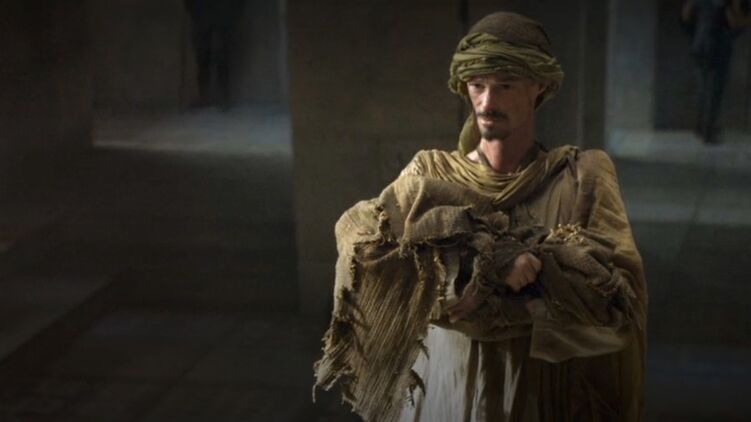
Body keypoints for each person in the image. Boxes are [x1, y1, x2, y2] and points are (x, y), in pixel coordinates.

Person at [314, 11, 647, 422]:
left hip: (539, 398)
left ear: (540, 86)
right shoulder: (429, 176)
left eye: (505, 86)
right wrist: (486, 263)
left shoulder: (580, 178)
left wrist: (493, 290)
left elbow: (618, 303)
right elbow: (369, 257)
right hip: (448, 396)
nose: (487, 103)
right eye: (477, 86)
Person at [681, 0, 751, 143]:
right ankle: (708, 131)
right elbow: (733, 23)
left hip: (699, 45)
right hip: (718, 47)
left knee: (702, 89)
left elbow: (686, 15)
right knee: (715, 91)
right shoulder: (723, 3)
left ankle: (700, 127)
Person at [183, 0, 244, 110]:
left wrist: (234, 13)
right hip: (205, 15)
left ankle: (222, 97)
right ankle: (207, 96)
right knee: (203, 56)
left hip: (222, 15)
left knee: (222, 56)